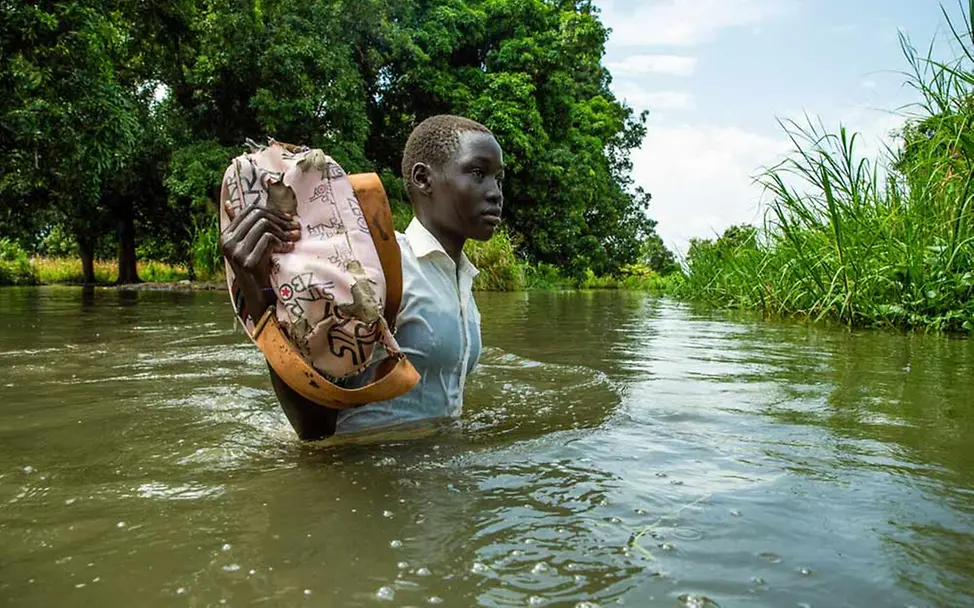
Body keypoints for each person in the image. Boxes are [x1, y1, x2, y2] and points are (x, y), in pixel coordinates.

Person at [220, 115, 505, 440]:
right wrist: (256, 293)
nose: (495, 193)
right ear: (423, 179)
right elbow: (314, 429)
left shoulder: (460, 277)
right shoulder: (378, 267)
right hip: (365, 476)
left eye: (499, 179)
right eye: (478, 173)